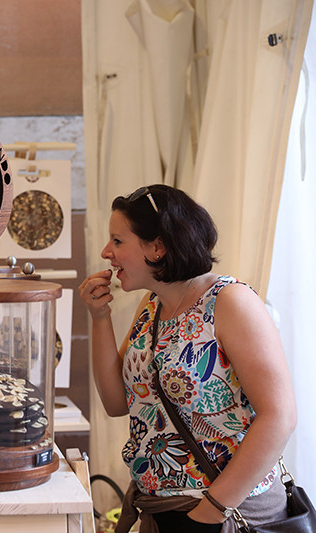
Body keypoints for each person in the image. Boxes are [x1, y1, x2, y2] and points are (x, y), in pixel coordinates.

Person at [78, 184, 296, 532]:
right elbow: (117, 402)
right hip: (163, 509)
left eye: (117, 241)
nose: (107, 252)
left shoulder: (230, 301)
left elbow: (279, 416)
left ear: (158, 247)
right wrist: (100, 318)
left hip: (228, 512)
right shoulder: (152, 306)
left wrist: (210, 512)